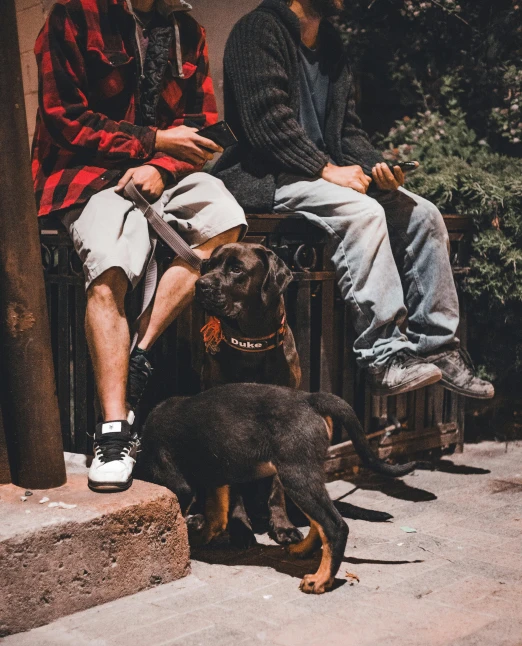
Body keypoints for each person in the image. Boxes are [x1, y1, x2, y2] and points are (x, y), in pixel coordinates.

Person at [215, 0, 494, 401]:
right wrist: (325, 168)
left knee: (423, 215)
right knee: (363, 212)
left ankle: (438, 348)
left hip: (323, 175)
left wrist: (377, 167)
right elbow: (266, 125)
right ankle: (384, 356)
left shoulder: (330, 44)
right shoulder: (256, 31)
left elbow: (346, 131)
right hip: (269, 176)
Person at [33, 0, 247, 491]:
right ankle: (112, 430)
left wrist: (161, 165)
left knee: (225, 219)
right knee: (110, 264)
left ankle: (139, 353)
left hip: (161, 172)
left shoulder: (187, 30)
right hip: (86, 175)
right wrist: (152, 142)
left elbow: (204, 131)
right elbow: (64, 117)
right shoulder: (74, 14)